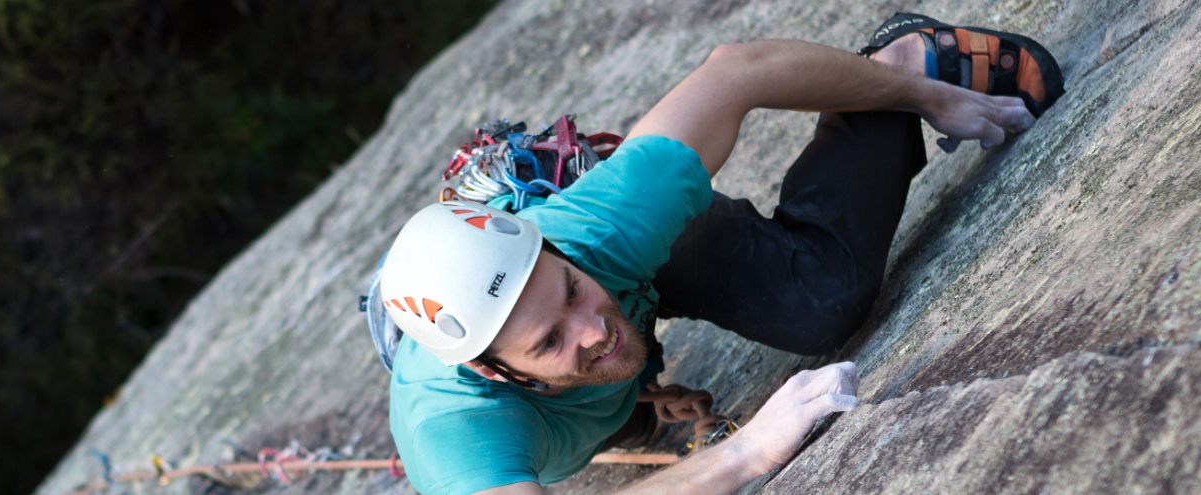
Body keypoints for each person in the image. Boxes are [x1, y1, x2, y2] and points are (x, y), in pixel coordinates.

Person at [375, 13, 1062, 495]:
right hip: (545, 333)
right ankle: (623, 391)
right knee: (611, 367)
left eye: (572, 291)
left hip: (597, 239)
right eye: (550, 339)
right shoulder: (457, 436)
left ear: (553, 246)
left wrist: (925, 92)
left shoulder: (597, 227)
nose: (590, 324)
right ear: (494, 374)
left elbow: (734, 72)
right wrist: (746, 451)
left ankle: (900, 59)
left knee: (818, 301)